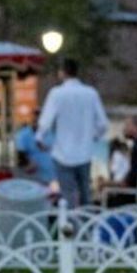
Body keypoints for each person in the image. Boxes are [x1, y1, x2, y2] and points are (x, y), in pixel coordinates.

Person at [37, 59, 108, 209]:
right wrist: (93, 136)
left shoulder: (57, 93)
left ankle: (70, 228)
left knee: (68, 195)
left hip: (63, 153)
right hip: (85, 152)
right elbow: (102, 124)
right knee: (85, 194)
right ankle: (86, 228)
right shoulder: (91, 93)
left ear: (62, 72)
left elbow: (45, 121)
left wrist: (40, 138)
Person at [14, 110, 55, 187]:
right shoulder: (23, 135)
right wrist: (27, 164)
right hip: (33, 179)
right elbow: (20, 157)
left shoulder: (51, 133)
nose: (37, 122)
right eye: (35, 120)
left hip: (53, 178)